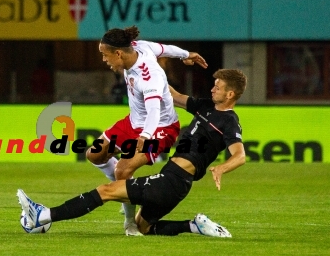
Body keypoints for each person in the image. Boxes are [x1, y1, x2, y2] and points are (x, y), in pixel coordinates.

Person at [17, 69, 247, 237]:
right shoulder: (206, 106)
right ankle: (193, 226)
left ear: (230, 94)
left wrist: (221, 168)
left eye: (218, 87)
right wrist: (149, 68)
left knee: (106, 190)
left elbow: (240, 155)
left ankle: (43, 216)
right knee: (142, 227)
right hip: (176, 183)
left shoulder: (229, 121)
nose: (212, 88)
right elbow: (173, 95)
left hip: (171, 181)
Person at [87, 26, 207, 236]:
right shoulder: (139, 47)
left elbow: (153, 112)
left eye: (105, 55)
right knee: (94, 154)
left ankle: (129, 223)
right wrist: (187, 55)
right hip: (133, 122)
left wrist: (144, 136)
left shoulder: (148, 76)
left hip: (160, 127)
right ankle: (121, 188)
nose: (104, 60)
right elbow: (164, 48)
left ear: (118, 53)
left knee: (123, 170)